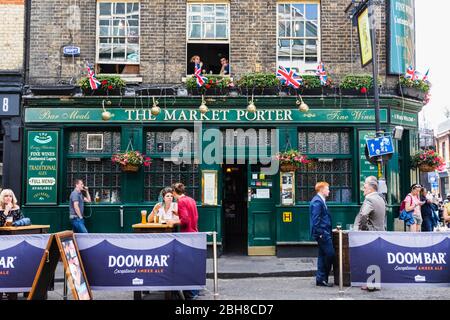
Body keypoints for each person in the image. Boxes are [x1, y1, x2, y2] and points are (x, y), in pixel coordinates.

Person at [170, 182, 199, 299]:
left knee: (185, 264)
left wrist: (173, 222)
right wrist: (178, 213)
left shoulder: (181, 201)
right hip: (194, 233)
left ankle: (191, 293)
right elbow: (193, 216)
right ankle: (195, 291)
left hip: (187, 235)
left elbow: (185, 220)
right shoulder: (191, 200)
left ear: (173, 192)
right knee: (192, 264)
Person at [309, 181, 334, 287]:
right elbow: (315, 220)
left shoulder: (320, 200)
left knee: (322, 255)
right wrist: (320, 233)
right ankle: (323, 277)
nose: (329, 191)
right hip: (323, 233)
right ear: (321, 189)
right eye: (327, 188)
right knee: (330, 254)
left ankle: (321, 280)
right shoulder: (317, 202)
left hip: (324, 232)